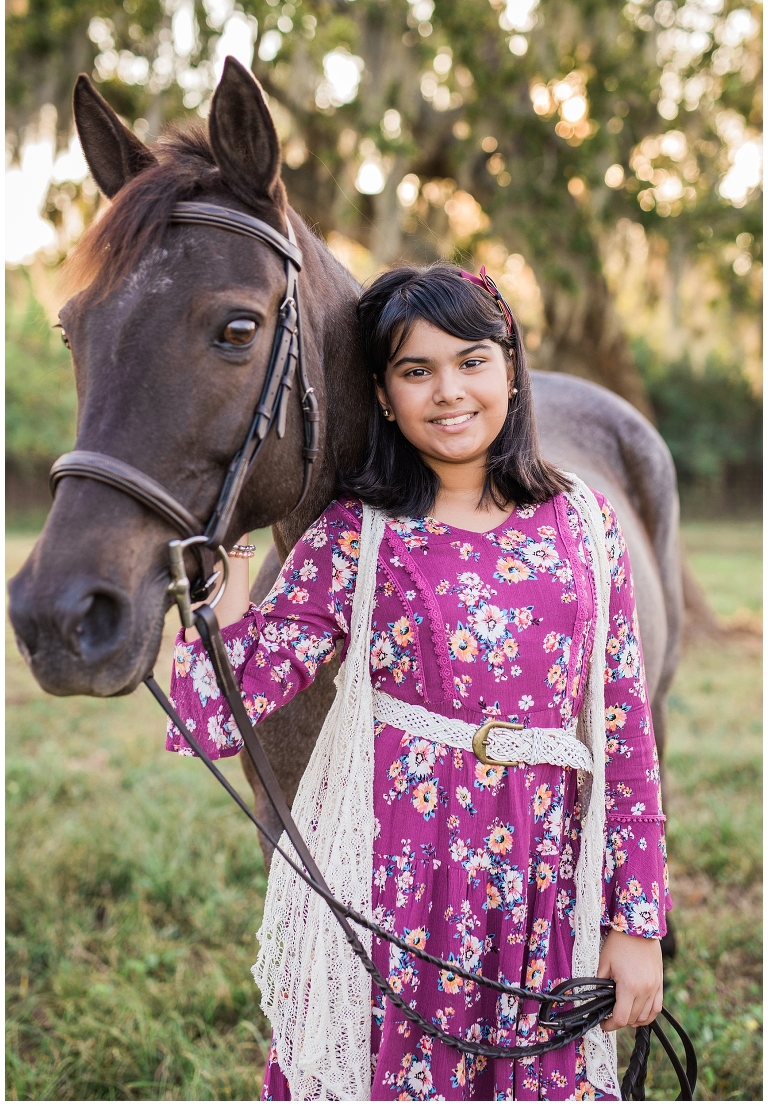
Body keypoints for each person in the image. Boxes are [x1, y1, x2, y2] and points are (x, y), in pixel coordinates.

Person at [167, 263, 670, 1102]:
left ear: (511, 368)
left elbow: (622, 728)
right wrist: (208, 615)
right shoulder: (354, 537)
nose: (449, 391)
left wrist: (636, 922)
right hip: (400, 878)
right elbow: (217, 714)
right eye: (415, 370)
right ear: (385, 393)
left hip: (542, 883)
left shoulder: (583, 521)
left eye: (471, 361)